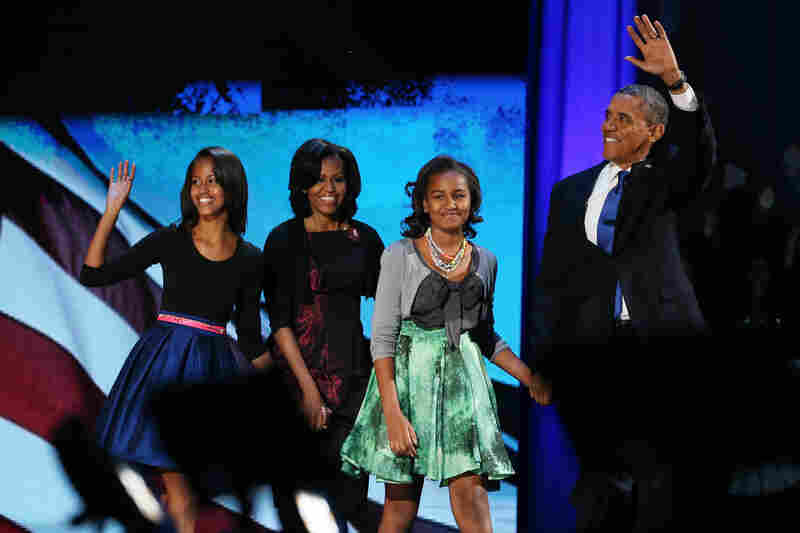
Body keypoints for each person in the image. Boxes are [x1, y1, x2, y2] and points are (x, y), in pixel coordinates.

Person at [529, 15, 717, 531]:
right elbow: (552, 281)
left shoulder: (667, 184)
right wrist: (544, 358)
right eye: (608, 115)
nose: (609, 125)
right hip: (591, 353)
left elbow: (701, 157)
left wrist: (675, 83)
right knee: (596, 482)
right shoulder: (569, 191)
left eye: (624, 120)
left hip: (660, 349)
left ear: (654, 133)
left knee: (660, 480)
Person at [340, 155, 551, 533]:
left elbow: (484, 334)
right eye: (438, 196)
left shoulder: (486, 261)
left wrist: (529, 377)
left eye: (459, 195)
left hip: (463, 392)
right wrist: (392, 412)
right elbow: (384, 338)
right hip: (407, 387)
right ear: (423, 203)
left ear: (472, 202)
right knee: (400, 506)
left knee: (471, 497)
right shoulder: (399, 255)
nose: (449, 204)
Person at [80, 148, 270, 533]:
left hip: (210, 377)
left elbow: (250, 337)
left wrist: (287, 394)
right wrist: (113, 209)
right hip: (164, 366)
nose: (203, 189)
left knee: (180, 492)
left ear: (232, 188)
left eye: (213, 180)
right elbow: (93, 275)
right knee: (173, 490)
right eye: (196, 181)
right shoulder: (170, 239)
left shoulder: (251, 258)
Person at [261, 138, 385, 531]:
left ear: (350, 184)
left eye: (337, 179)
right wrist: (309, 390)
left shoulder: (365, 239)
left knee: (349, 496)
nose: (328, 188)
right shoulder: (283, 239)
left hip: (353, 380)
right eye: (317, 180)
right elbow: (279, 321)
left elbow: (387, 313)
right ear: (301, 186)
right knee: (302, 503)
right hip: (295, 381)